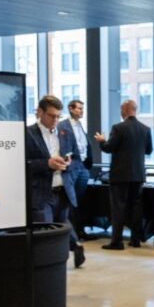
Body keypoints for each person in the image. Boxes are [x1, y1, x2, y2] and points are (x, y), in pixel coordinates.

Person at [25, 95, 84, 267]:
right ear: (40, 112)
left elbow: (77, 159)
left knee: (62, 227)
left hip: (63, 190)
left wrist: (68, 163)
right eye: (51, 116)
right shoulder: (27, 134)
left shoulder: (66, 133)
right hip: (41, 193)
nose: (56, 120)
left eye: (58, 116)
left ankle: (68, 254)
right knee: (46, 232)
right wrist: (47, 164)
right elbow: (21, 164)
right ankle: (46, 270)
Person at [94, 99, 152, 250]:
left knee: (118, 208)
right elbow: (149, 150)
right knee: (136, 207)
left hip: (120, 175)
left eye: (121, 109)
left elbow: (108, 148)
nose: (120, 112)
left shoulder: (118, 128)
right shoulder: (145, 129)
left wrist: (101, 141)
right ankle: (135, 239)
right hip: (138, 175)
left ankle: (117, 242)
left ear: (125, 110)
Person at [58, 99, 93, 239]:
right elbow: (63, 147)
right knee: (71, 201)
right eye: (79, 108)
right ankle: (72, 234)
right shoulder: (63, 126)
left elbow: (84, 145)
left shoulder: (80, 125)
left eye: (82, 108)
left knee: (80, 201)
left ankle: (79, 231)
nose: (81, 111)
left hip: (83, 166)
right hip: (72, 167)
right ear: (70, 109)